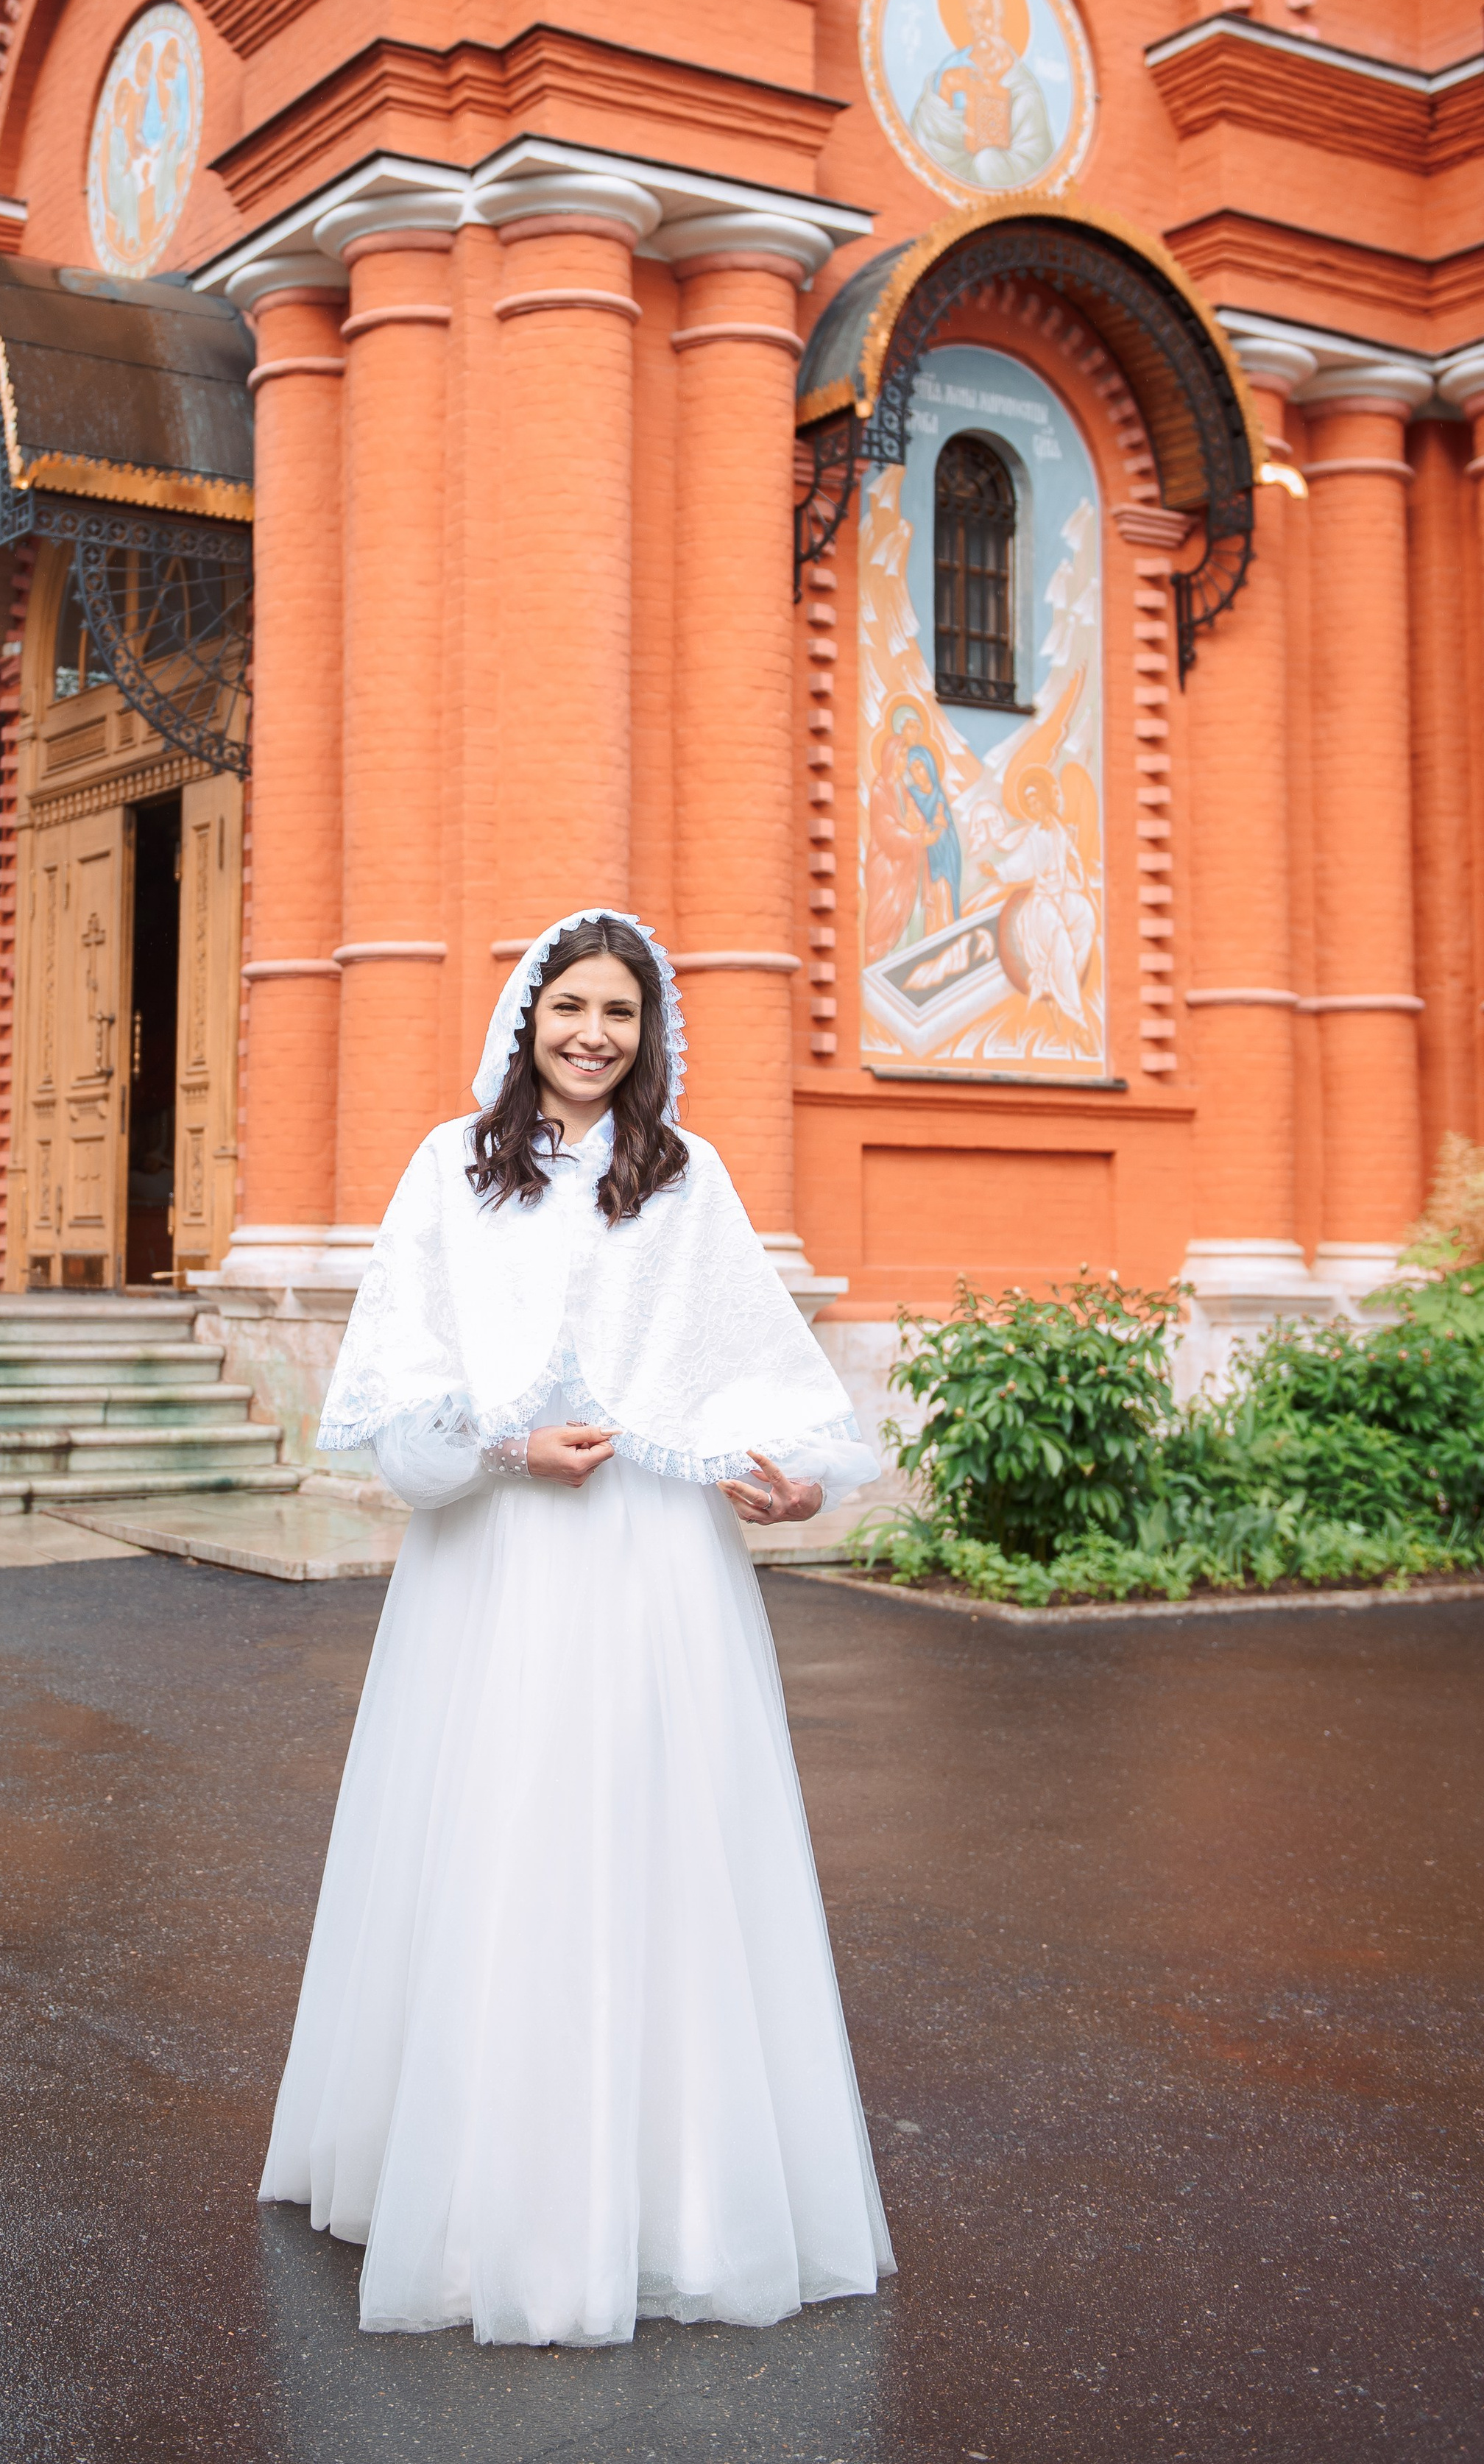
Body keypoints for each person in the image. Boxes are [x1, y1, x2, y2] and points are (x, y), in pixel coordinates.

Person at [258, 908, 895, 2346]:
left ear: (644, 1028)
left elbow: (729, 1369)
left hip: (654, 1569)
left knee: (652, 1844)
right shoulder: (448, 1167)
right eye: (570, 1010)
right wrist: (503, 1451)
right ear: (525, 1018)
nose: (592, 1036)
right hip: (499, 1570)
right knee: (496, 1840)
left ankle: (668, 2194)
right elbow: (406, 1399)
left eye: (618, 1013)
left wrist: (786, 1476)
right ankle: (478, 2191)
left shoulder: (685, 1176)